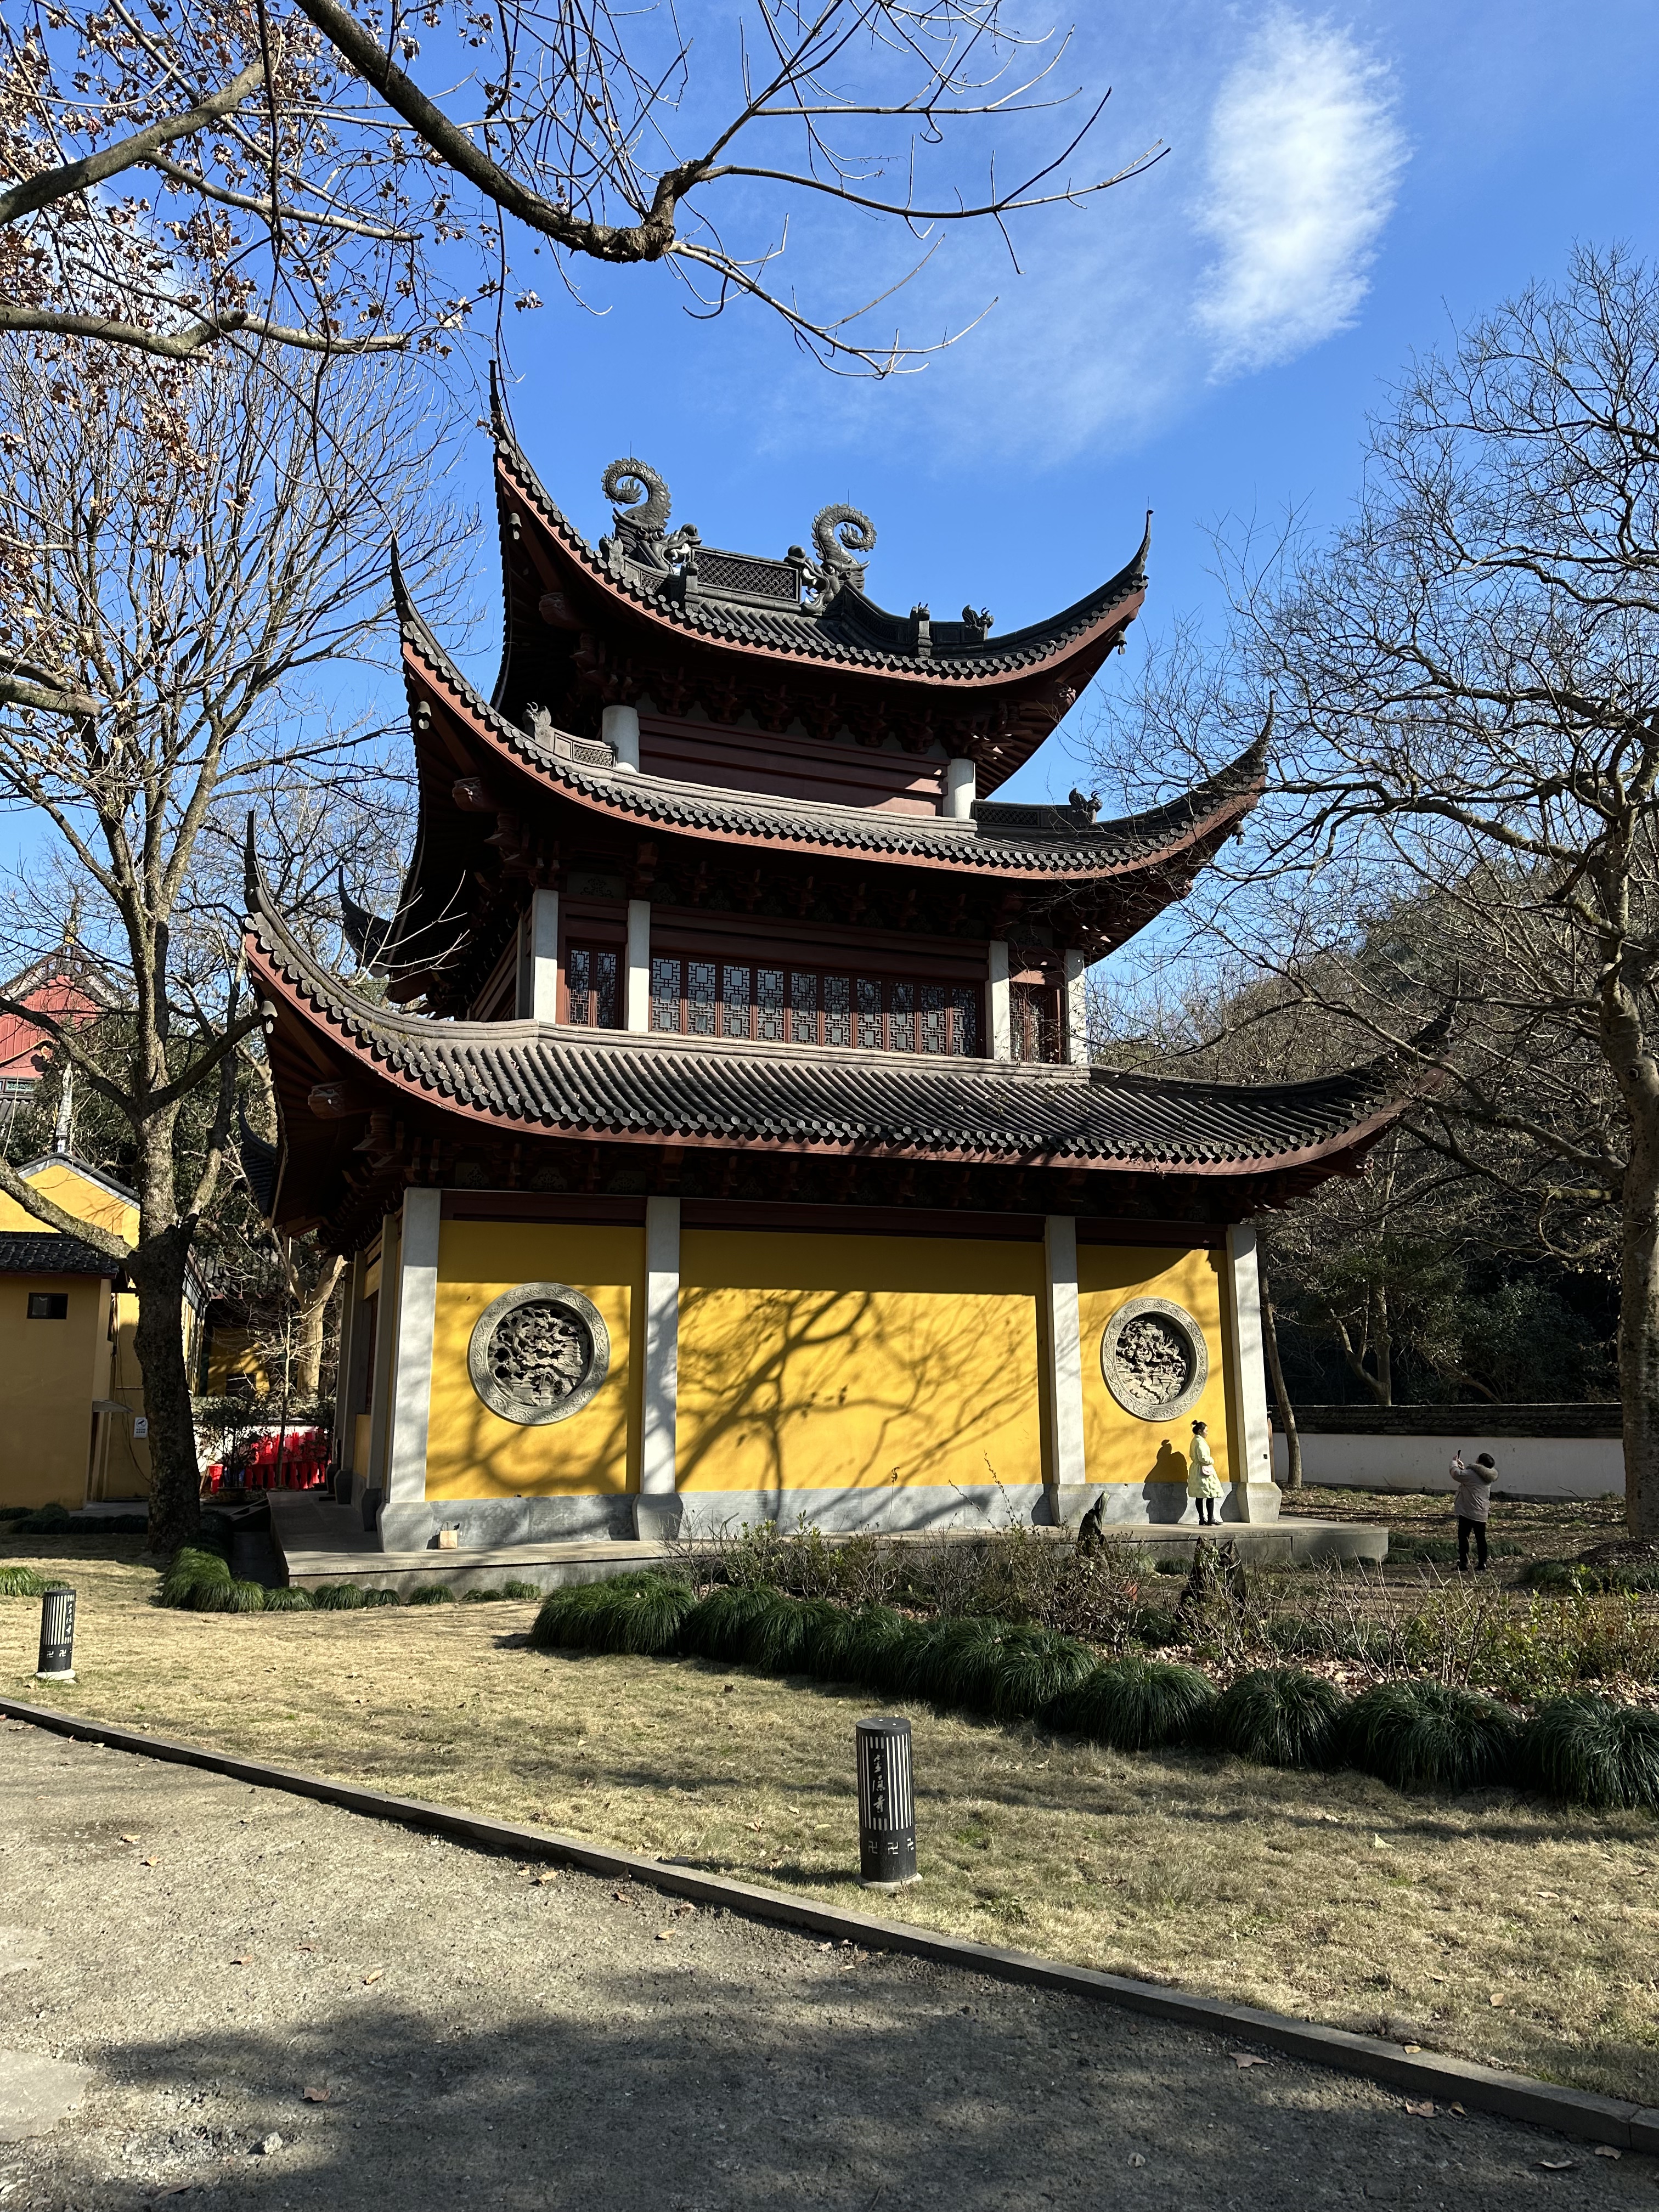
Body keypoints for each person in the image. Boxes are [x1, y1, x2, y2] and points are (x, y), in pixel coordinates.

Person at [1450, 1448, 1498, 1571]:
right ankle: (1482, 1563)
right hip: (1482, 1511)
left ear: (1480, 1462)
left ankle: (1464, 1563)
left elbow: (1456, 1475)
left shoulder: (1472, 1474)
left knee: (1464, 1537)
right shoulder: (1488, 1476)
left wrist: (1454, 1463)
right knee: (1481, 1538)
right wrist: (1464, 1468)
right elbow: (1471, 1479)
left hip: (1468, 1511)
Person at [1187, 1419, 1222, 1527]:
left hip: (1196, 1469)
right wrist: (1211, 1460)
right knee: (1210, 1493)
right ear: (1200, 1432)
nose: (1207, 1432)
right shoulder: (1200, 1442)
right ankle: (1210, 1518)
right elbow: (1203, 1457)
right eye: (1206, 1431)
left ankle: (1202, 1518)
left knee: (1200, 1495)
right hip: (1203, 1470)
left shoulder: (1195, 1441)